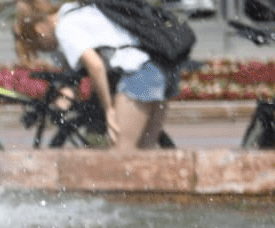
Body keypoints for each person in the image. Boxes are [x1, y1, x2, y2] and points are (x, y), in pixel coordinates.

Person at [20, 2, 179, 149]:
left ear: (40, 28)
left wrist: (109, 109)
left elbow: (95, 66)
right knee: (144, 159)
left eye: (39, 45)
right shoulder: (75, 11)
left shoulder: (64, 27)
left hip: (139, 72)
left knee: (122, 157)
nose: (45, 50)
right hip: (161, 67)